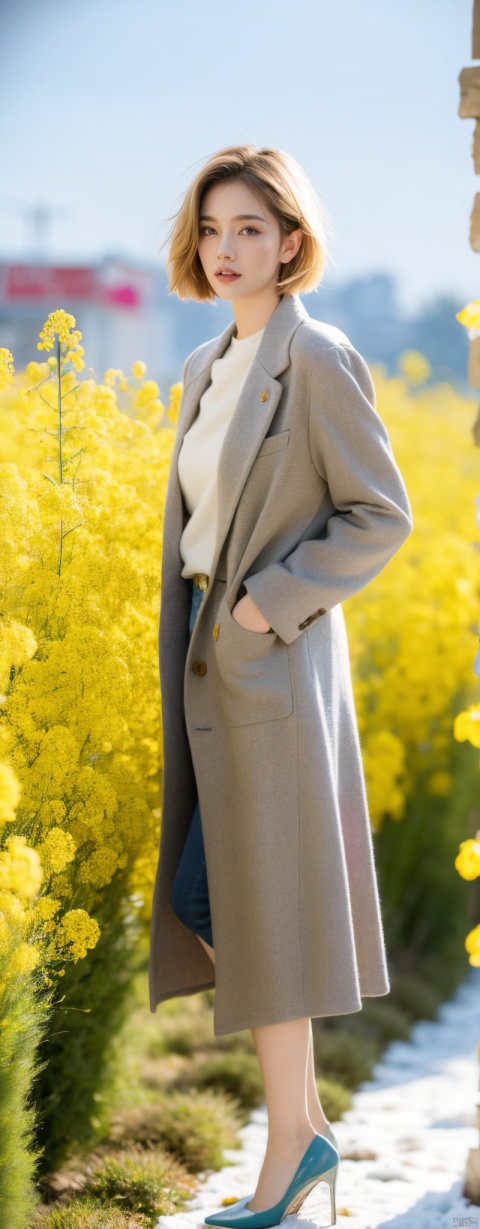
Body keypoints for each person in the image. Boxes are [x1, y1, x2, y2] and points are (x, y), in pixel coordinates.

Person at [149, 144, 413, 1228]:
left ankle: (292, 1144)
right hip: (212, 664)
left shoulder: (316, 355)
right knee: (233, 901)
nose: (226, 249)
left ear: (291, 242)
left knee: (237, 904)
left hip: (270, 662)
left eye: (250, 228)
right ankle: (302, 1135)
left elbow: (382, 511)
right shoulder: (211, 362)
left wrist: (268, 603)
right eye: (212, 229)